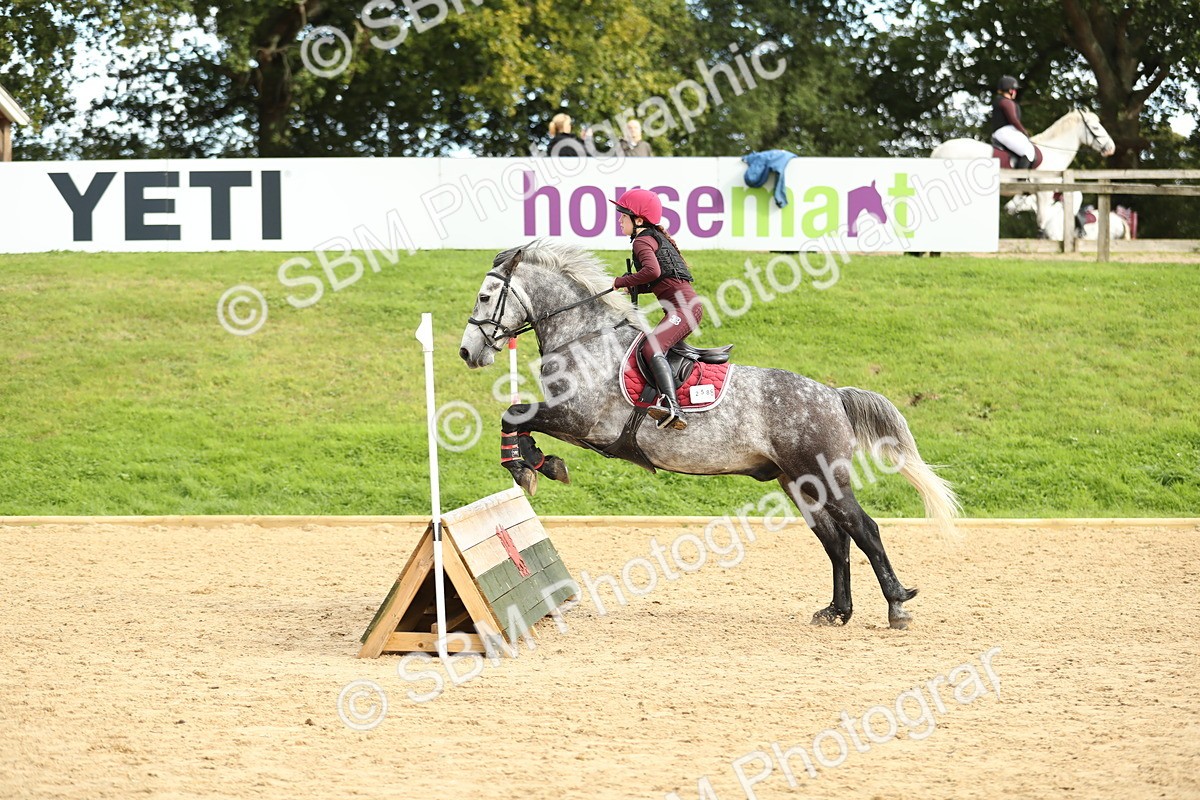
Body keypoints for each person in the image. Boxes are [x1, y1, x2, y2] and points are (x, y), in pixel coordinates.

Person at [609, 188, 701, 431]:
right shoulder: (653, 237)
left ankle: (673, 407)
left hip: (683, 309)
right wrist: (633, 287)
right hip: (684, 308)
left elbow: (652, 271)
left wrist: (621, 281)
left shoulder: (642, 241)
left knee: (652, 348)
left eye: (623, 216)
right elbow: (662, 281)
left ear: (638, 220)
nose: (619, 220)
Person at [990, 75, 1035, 169]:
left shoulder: (999, 100)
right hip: (1006, 132)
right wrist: (1024, 131)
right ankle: (1020, 177)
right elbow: (1013, 120)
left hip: (1002, 132)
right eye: (1015, 90)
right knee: (1029, 152)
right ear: (1010, 90)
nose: (1016, 92)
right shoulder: (1006, 102)